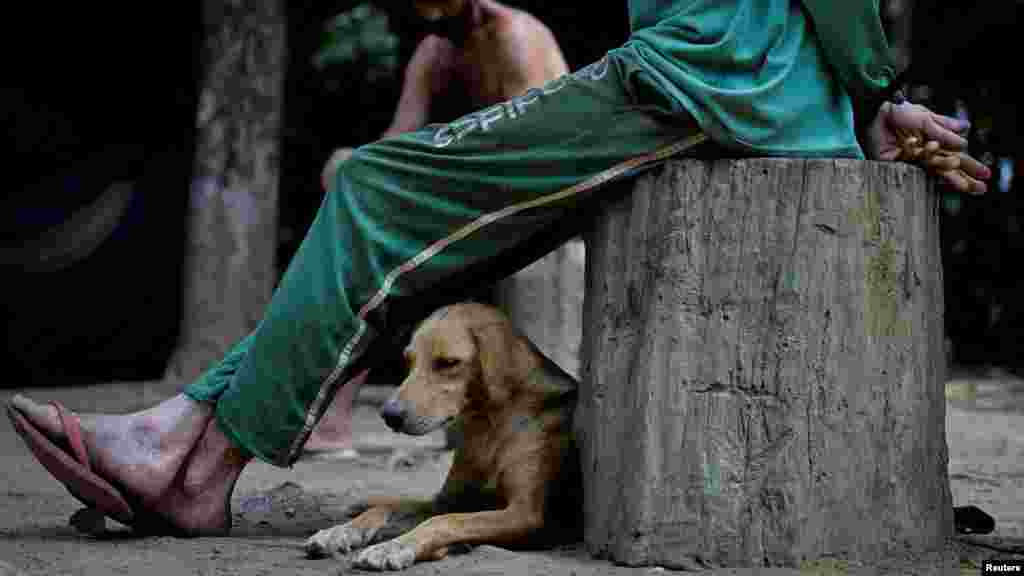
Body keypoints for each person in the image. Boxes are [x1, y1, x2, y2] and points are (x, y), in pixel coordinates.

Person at [8, 0, 990, 537]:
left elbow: (844, 16)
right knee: (405, 237)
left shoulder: (511, 33)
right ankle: (185, 439)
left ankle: (190, 455)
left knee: (373, 188)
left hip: (709, 79)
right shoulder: (439, 45)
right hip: (704, 73)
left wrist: (867, 97)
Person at [303, 0, 570, 460]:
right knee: (364, 249)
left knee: (395, 267)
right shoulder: (437, 49)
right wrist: (356, 166)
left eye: (443, 18)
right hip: (479, 200)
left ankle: (338, 421)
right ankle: (328, 424)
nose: (435, 29)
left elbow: (535, 153)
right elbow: (400, 138)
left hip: (540, 202)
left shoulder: (515, 39)